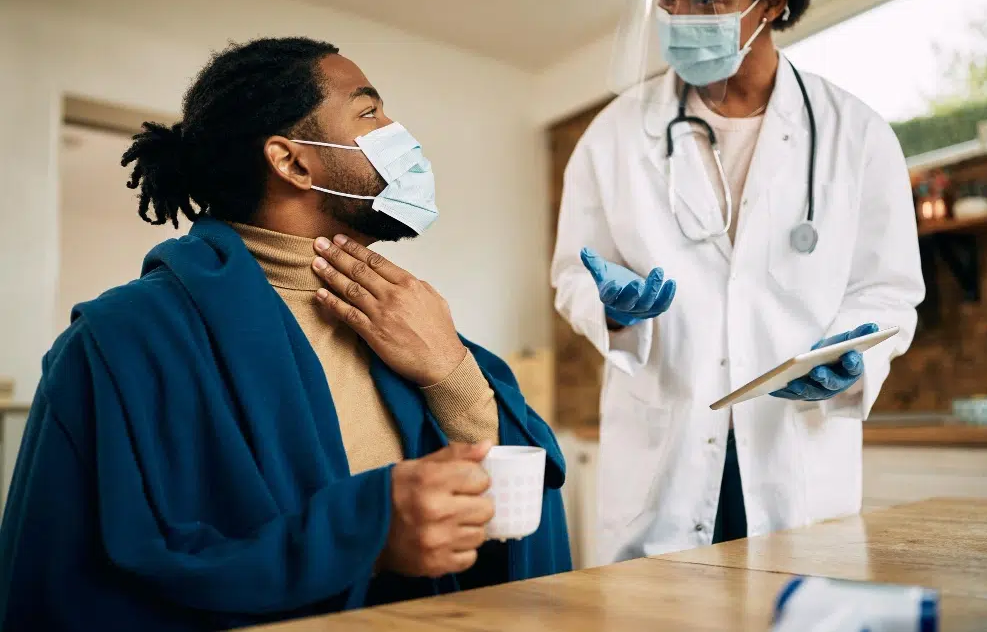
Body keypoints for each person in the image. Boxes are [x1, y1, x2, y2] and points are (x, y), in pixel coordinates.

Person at [0, 37, 570, 631]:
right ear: (292, 160)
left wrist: (452, 372)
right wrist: (364, 535)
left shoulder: (415, 326)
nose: (400, 133)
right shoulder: (116, 347)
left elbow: (517, 513)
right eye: (370, 113)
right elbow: (69, 589)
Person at [551, 0, 924, 564]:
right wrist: (612, 309)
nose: (682, 21)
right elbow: (574, 273)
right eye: (669, 0)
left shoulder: (857, 134)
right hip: (663, 461)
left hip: (792, 453)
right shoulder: (613, 135)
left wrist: (854, 355)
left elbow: (887, 290)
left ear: (774, 0)